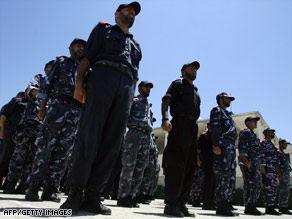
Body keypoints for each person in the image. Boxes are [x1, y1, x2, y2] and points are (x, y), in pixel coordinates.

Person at [60, 2, 142, 215]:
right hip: (101, 78)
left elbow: (134, 77)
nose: (131, 12)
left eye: (134, 11)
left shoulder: (136, 46)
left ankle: (94, 194)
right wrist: (79, 85)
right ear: (117, 14)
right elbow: (86, 58)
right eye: (127, 9)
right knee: (89, 137)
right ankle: (76, 193)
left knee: (113, 143)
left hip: (124, 87)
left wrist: (130, 101)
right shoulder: (102, 29)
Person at [25, 38, 86, 202]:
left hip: (75, 111)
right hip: (58, 106)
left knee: (63, 151)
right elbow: (47, 85)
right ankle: (34, 187)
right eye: (78, 45)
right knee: (45, 146)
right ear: (70, 48)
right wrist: (43, 107)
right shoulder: (61, 62)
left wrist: (80, 119)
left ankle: (51, 189)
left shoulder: (85, 69)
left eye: (83, 46)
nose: (81, 48)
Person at [3, 67, 52, 194]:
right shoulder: (39, 79)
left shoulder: (57, 82)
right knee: (19, 155)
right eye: (50, 67)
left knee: (33, 158)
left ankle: (23, 185)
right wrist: (48, 93)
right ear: (46, 69)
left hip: (43, 126)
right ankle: (11, 183)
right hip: (28, 123)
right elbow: (32, 91)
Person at [161, 61, 201, 217]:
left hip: (192, 128)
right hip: (179, 124)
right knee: (177, 165)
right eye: (191, 68)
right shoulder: (177, 84)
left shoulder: (196, 92)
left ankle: (181, 203)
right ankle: (170, 204)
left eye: (195, 69)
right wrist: (165, 119)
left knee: (190, 168)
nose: (194, 71)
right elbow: (166, 101)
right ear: (183, 71)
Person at [118, 80, 154, 207]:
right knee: (129, 165)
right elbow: (125, 114)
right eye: (145, 87)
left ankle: (132, 196)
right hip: (134, 133)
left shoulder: (149, 104)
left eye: (149, 88)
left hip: (146, 136)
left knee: (141, 167)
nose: (148, 89)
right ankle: (123, 196)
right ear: (139, 88)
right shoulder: (134, 100)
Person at [210, 92, 238, 216]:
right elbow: (215, 129)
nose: (230, 100)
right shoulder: (217, 111)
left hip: (230, 147)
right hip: (223, 147)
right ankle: (221, 204)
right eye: (227, 98)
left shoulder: (227, 114)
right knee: (223, 175)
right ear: (221, 99)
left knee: (231, 176)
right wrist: (215, 145)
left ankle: (226, 202)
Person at [0, 92, 27, 189]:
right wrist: (2, 132)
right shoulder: (16, 101)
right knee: (5, 157)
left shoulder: (33, 105)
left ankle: (8, 183)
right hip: (11, 133)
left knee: (17, 159)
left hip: (24, 136)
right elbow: (3, 116)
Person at [238, 116, 263, 215]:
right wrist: (246, 162)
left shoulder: (252, 134)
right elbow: (242, 148)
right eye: (253, 121)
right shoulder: (245, 132)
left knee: (256, 184)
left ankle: (252, 205)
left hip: (255, 164)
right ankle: (249, 206)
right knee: (250, 185)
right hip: (250, 164)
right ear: (247, 122)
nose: (255, 123)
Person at [260, 128, 282, 215]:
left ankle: (271, 206)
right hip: (267, 169)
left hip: (273, 169)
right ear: (267, 133)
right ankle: (269, 208)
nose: (273, 133)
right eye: (272, 132)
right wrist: (262, 167)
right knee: (268, 188)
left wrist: (278, 172)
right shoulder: (264, 143)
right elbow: (261, 154)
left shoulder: (271, 144)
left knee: (273, 188)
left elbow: (276, 160)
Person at [197, 123, 216, 210]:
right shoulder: (204, 136)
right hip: (206, 161)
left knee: (214, 182)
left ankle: (212, 202)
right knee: (208, 182)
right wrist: (198, 160)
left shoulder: (216, 136)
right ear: (208, 126)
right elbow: (198, 149)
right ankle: (206, 203)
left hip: (215, 162)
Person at [277, 139, 292, 214]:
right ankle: (282, 207)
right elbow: (277, 165)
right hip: (282, 175)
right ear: (281, 144)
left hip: (286, 174)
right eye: (285, 144)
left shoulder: (283, 153)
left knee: (286, 191)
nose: (286, 145)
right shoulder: (278, 153)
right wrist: (279, 174)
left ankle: (284, 206)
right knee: (284, 191)